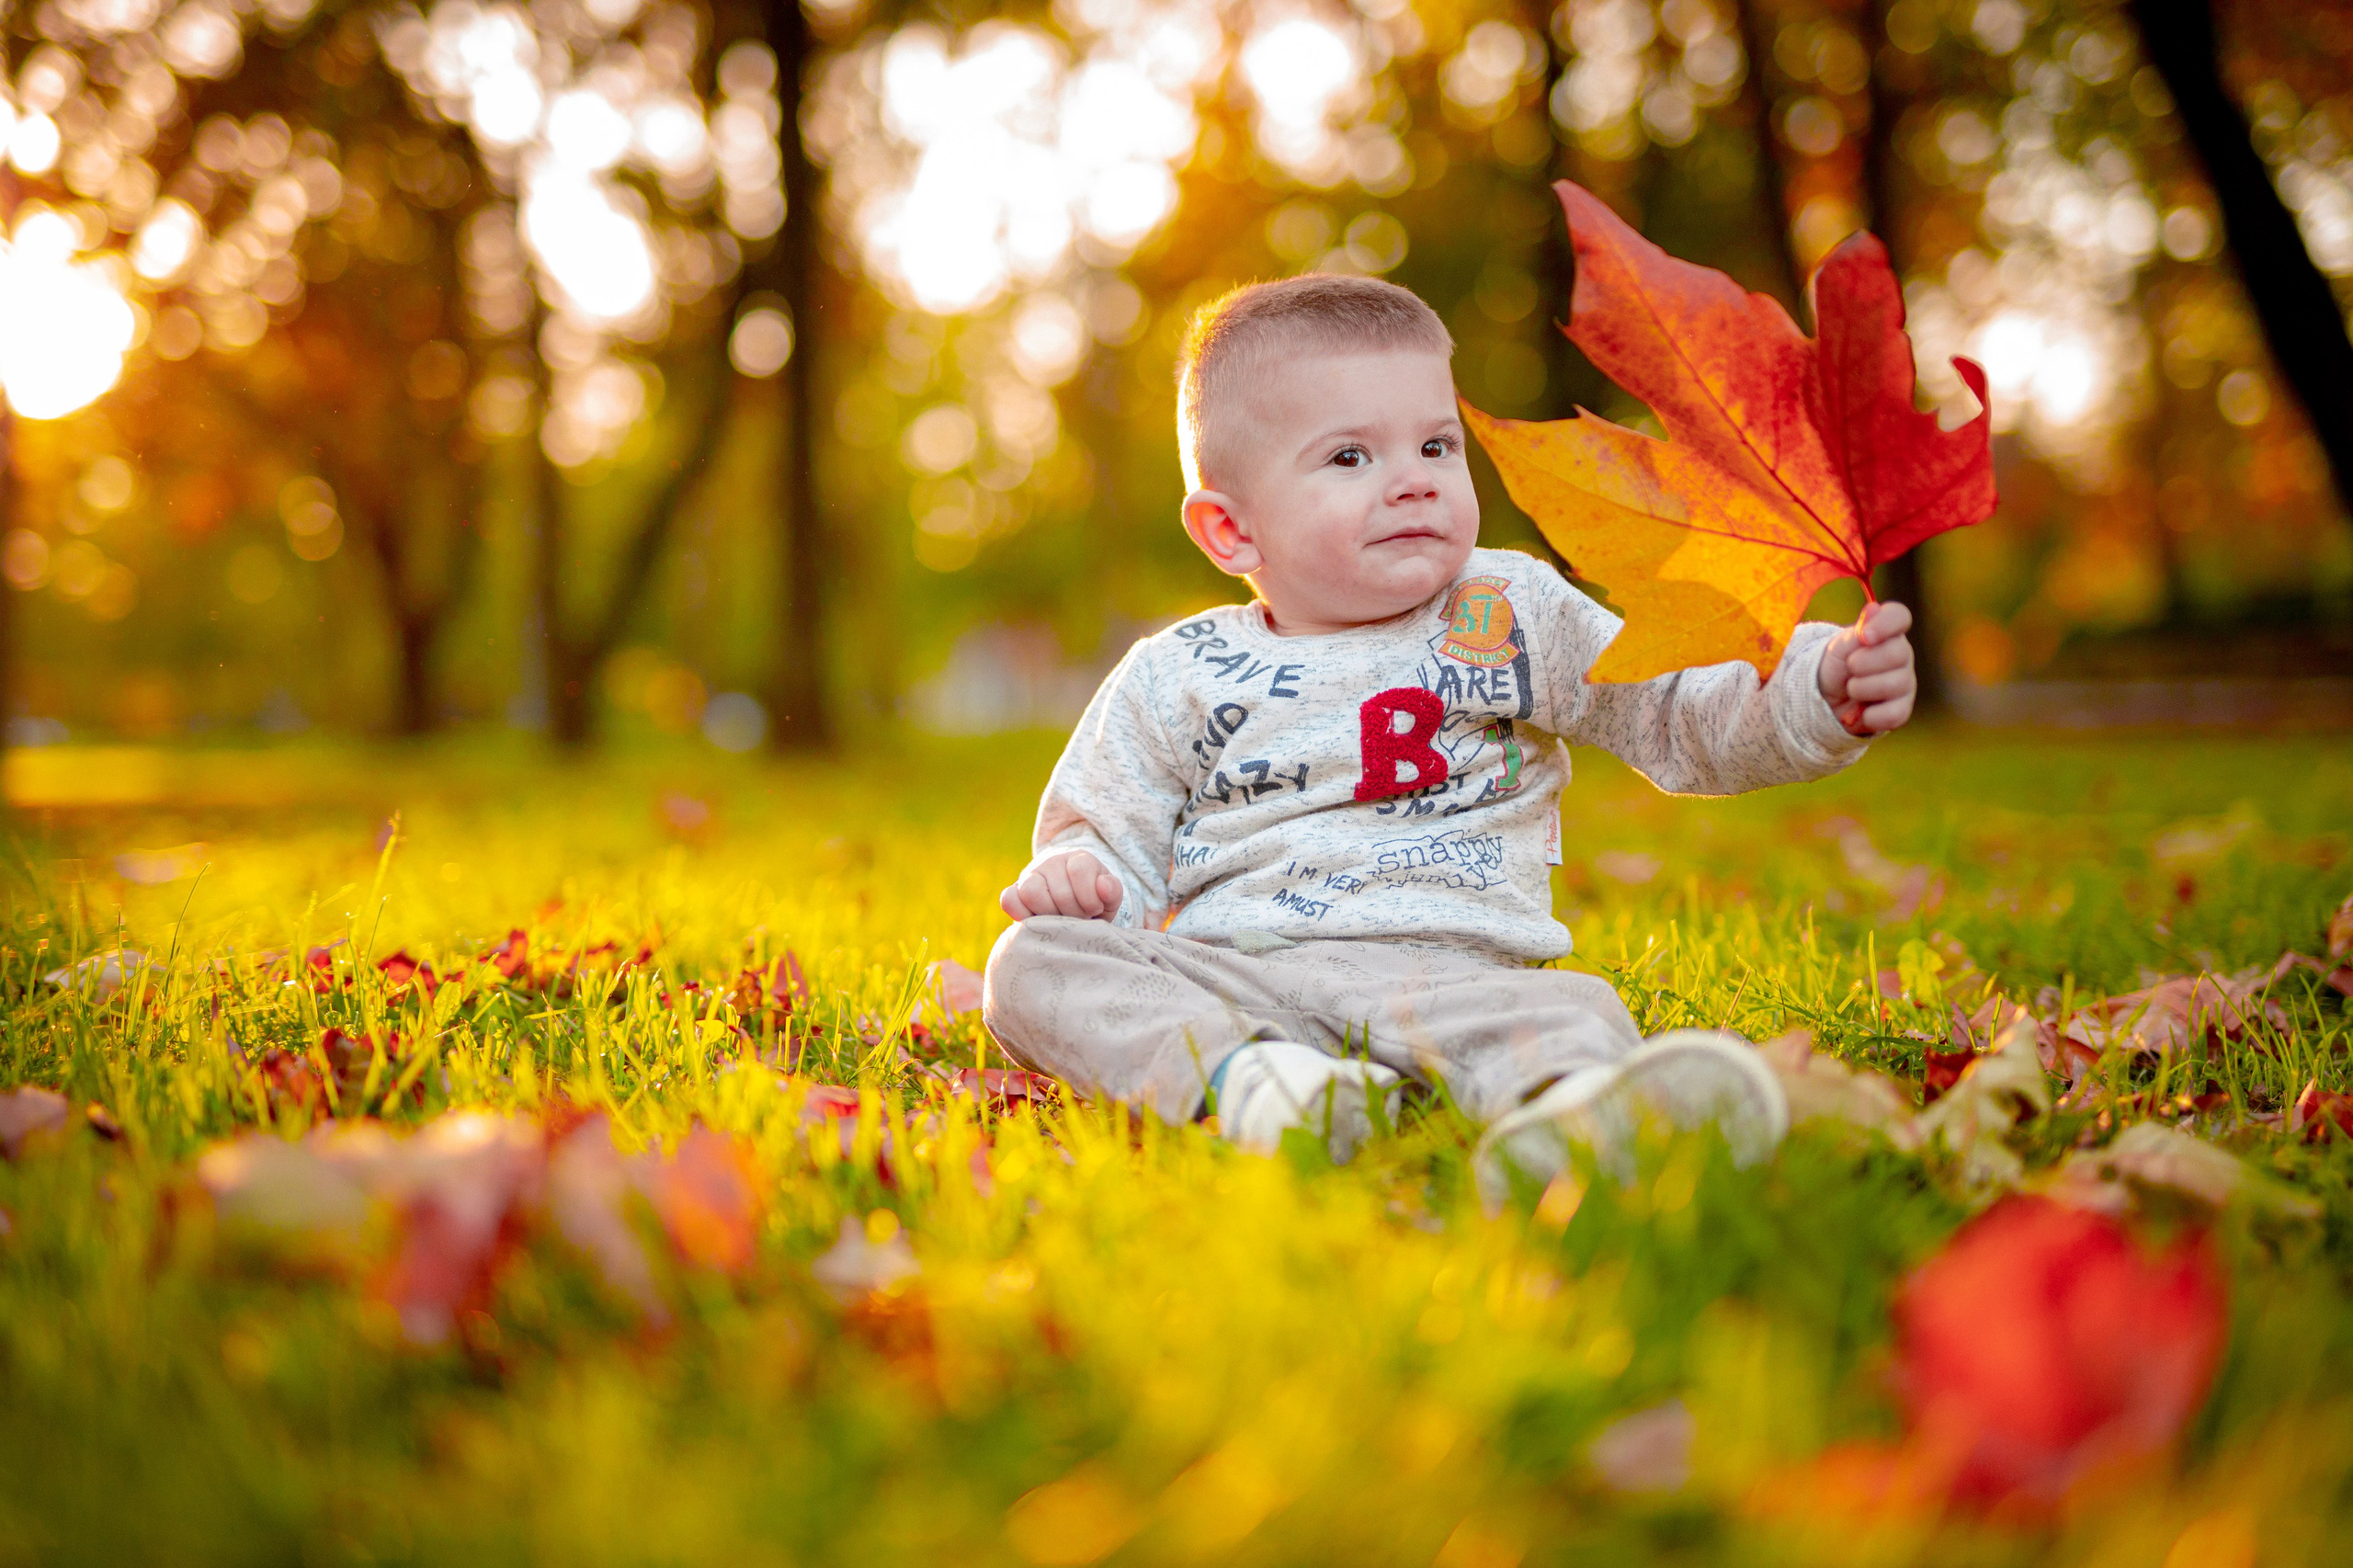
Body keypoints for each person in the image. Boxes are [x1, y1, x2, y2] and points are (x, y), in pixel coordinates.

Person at [981, 274, 1916, 1190]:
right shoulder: (1171, 672)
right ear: (1230, 531)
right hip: (1240, 974)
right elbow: (1108, 823)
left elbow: (1670, 707)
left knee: (1567, 1009)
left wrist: (1813, 686)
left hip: (1458, 977)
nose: (1413, 484)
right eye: (1350, 457)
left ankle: (1570, 1121)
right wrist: (1084, 874)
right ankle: (1262, 1089)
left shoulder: (1509, 606)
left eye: (1436, 446)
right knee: (1035, 963)